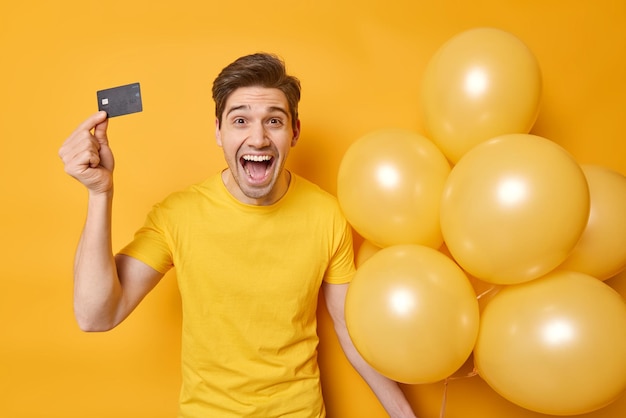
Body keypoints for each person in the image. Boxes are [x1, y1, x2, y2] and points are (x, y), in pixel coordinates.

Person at [59, 53, 417, 418]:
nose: (258, 138)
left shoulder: (327, 215)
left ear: (294, 131)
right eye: (241, 120)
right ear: (218, 131)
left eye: (273, 121)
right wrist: (99, 193)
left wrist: (403, 414)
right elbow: (96, 316)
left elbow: (350, 329)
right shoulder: (177, 215)